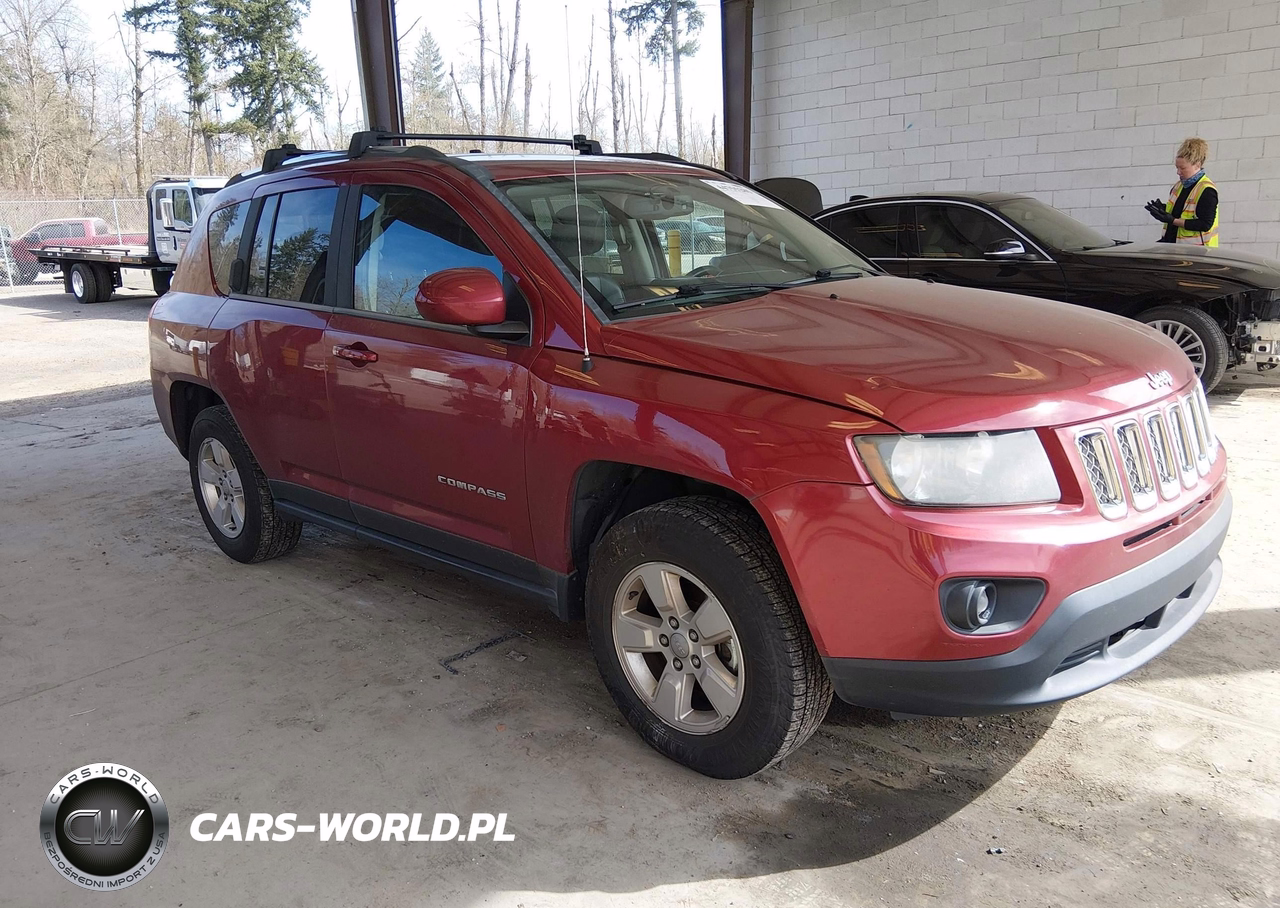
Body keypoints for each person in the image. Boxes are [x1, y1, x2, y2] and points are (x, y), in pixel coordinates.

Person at [1144, 137, 1218, 246]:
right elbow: (1179, 212)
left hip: (1195, 250)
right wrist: (1162, 210)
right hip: (1172, 245)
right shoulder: (1178, 186)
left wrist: (1172, 220)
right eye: (1177, 167)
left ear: (1197, 165)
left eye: (1182, 168)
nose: (1178, 172)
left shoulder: (1206, 190)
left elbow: (1205, 224)